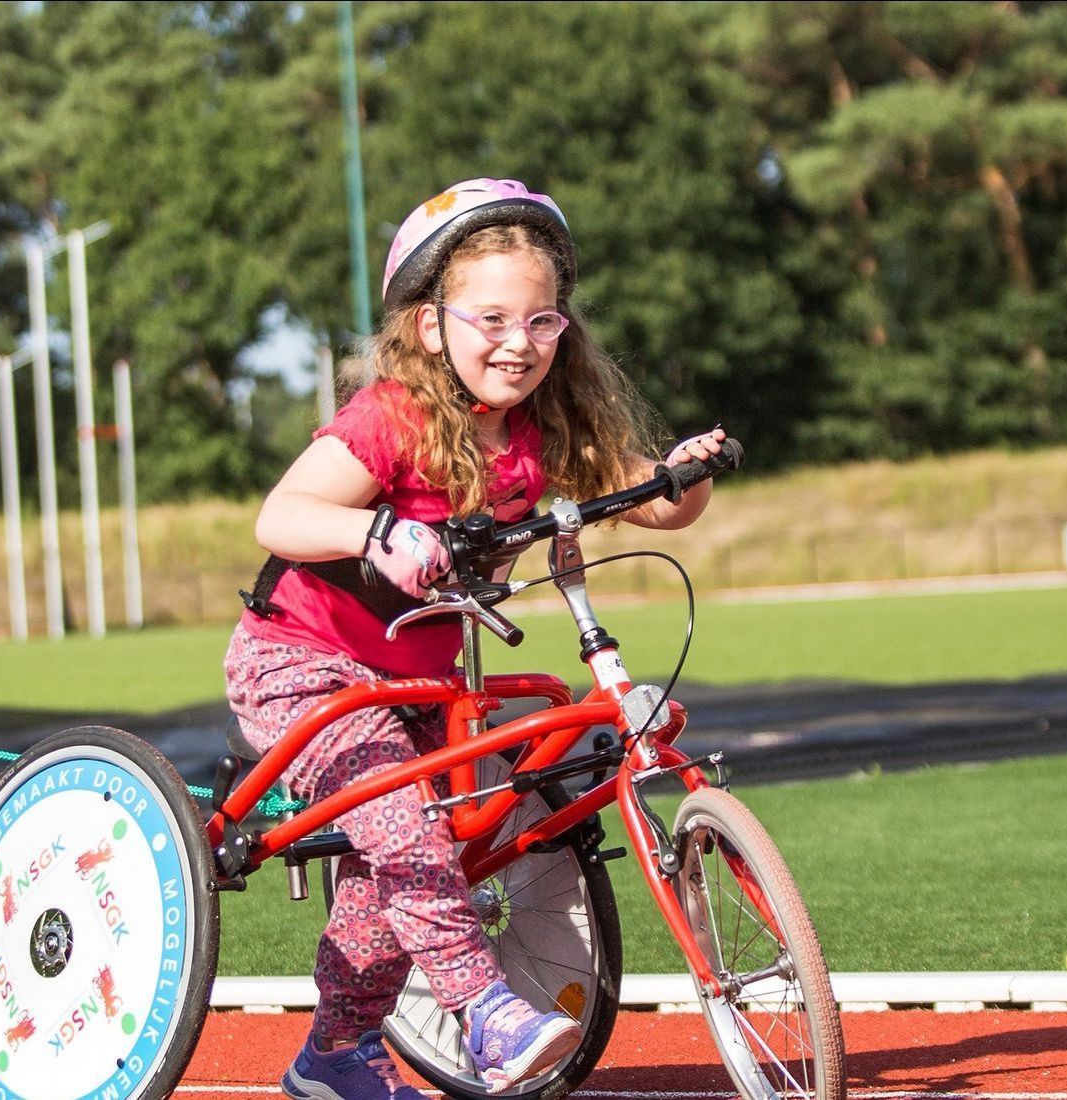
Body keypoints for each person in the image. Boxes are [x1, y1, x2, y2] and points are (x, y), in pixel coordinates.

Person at [224, 178, 728, 1100]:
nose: (518, 342)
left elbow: (651, 503)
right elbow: (281, 515)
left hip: (416, 683)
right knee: (410, 831)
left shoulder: (541, 430)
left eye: (542, 322)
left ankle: (334, 1055)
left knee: (410, 858)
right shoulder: (393, 417)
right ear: (431, 327)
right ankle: (486, 1011)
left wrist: (684, 475)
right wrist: (377, 532)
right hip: (303, 664)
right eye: (491, 319)